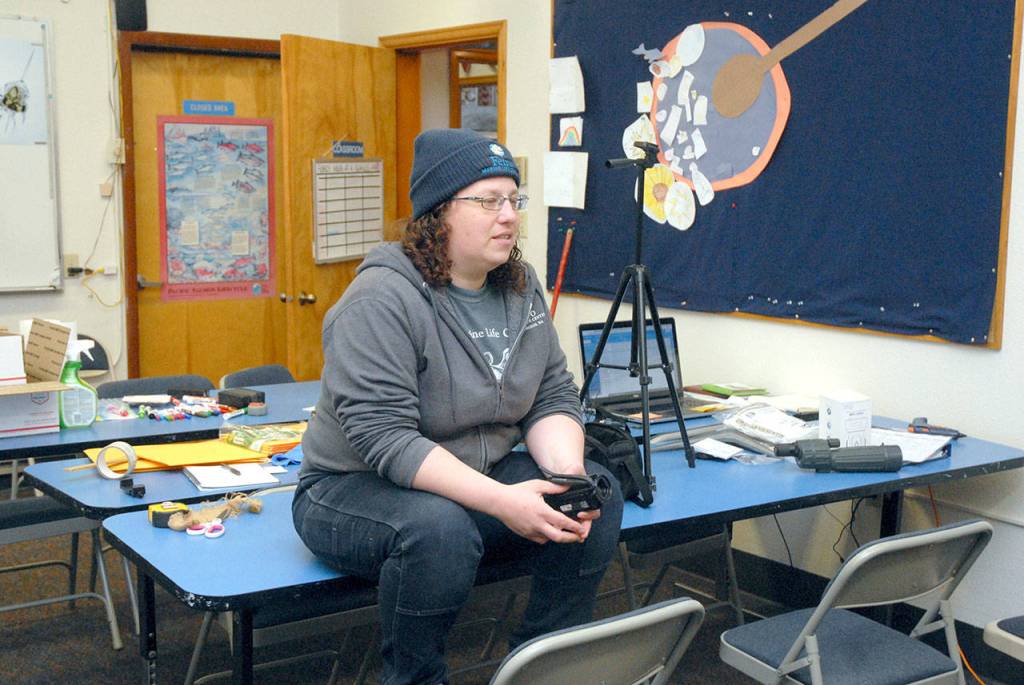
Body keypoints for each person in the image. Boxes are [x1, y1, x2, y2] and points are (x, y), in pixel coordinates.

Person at [292, 128, 624, 685]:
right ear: (437, 213)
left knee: (595, 494)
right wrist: (501, 501)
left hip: (474, 474)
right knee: (440, 532)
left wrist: (567, 476)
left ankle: (538, 664)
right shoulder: (381, 298)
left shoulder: (520, 288)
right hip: (350, 489)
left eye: (514, 200)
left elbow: (551, 395)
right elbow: (386, 441)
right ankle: (414, 677)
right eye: (488, 201)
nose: (510, 216)